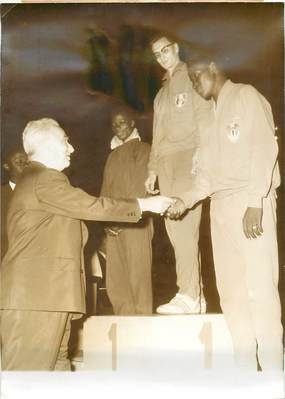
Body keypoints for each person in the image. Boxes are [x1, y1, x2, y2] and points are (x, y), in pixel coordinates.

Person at [0, 117, 172, 371]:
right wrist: (144, 205)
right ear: (46, 144)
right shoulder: (42, 178)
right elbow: (90, 205)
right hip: (37, 301)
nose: (72, 148)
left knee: (54, 379)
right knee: (25, 381)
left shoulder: (39, 183)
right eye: (65, 141)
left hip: (50, 301)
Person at [167, 58, 283, 371]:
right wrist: (185, 200)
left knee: (260, 290)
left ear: (215, 66)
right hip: (219, 209)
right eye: (188, 77)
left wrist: (256, 201)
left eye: (196, 74)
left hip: (249, 202)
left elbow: (264, 148)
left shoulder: (246, 96)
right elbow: (204, 178)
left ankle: (274, 374)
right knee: (232, 294)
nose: (192, 81)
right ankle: (245, 373)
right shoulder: (208, 120)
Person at [145, 35, 210, 314]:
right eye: (157, 54)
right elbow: (156, 135)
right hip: (166, 163)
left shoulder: (191, 78)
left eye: (166, 50)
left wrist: (202, 153)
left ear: (177, 48)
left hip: (188, 158)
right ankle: (197, 295)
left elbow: (206, 118)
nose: (162, 56)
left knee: (184, 227)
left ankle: (187, 293)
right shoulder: (160, 94)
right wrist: (152, 170)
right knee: (175, 231)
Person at [100, 106, 153, 315]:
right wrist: (106, 222)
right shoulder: (111, 156)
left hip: (136, 222)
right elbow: (105, 192)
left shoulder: (143, 150)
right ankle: (123, 321)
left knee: (138, 276)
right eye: (114, 124)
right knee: (116, 277)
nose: (117, 127)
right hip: (113, 225)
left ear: (132, 124)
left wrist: (121, 218)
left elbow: (139, 190)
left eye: (122, 122)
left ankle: (142, 322)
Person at [1, 149, 28, 259]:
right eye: (18, 161)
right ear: (6, 166)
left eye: (27, 161)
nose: (24, 164)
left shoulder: (42, 192)